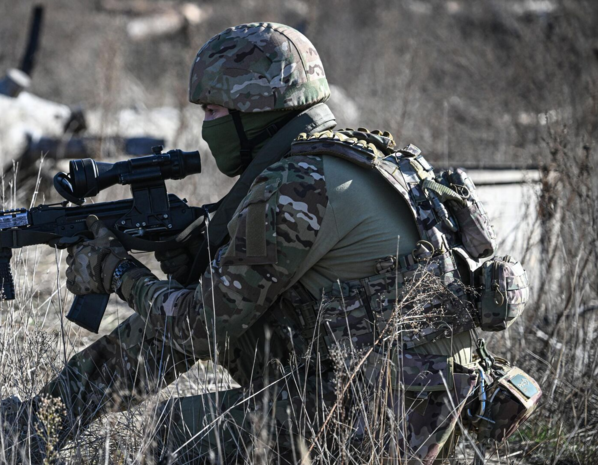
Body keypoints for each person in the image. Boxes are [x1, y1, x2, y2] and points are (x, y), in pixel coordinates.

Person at [46, 22, 488, 465]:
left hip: (379, 426)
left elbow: (199, 328)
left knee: (179, 430)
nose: (205, 130)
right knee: (176, 326)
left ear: (254, 111)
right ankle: (33, 425)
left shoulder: (297, 186)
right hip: (422, 410)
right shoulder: (357, 158)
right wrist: (194, 262)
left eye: (213, 112)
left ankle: (27, 428)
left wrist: (116, 272)